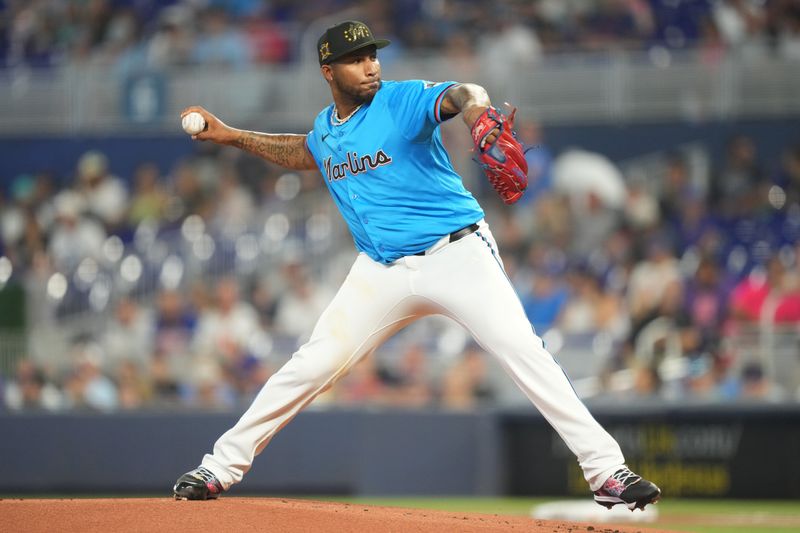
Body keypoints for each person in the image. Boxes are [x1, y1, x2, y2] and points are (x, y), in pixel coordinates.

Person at [173, 20, 661, 510]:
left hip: (456, 254)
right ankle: (219, 467)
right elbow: (304, 152)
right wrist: (233, 135)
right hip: (381, 269)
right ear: (328, 71)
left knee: (522, 350)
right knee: (310, 364)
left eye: (373, 55)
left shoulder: (401, 101)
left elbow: (462, 92)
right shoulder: (327, 130)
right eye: (356, 59)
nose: (370, 65)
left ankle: (604, 470)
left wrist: (479, 115)